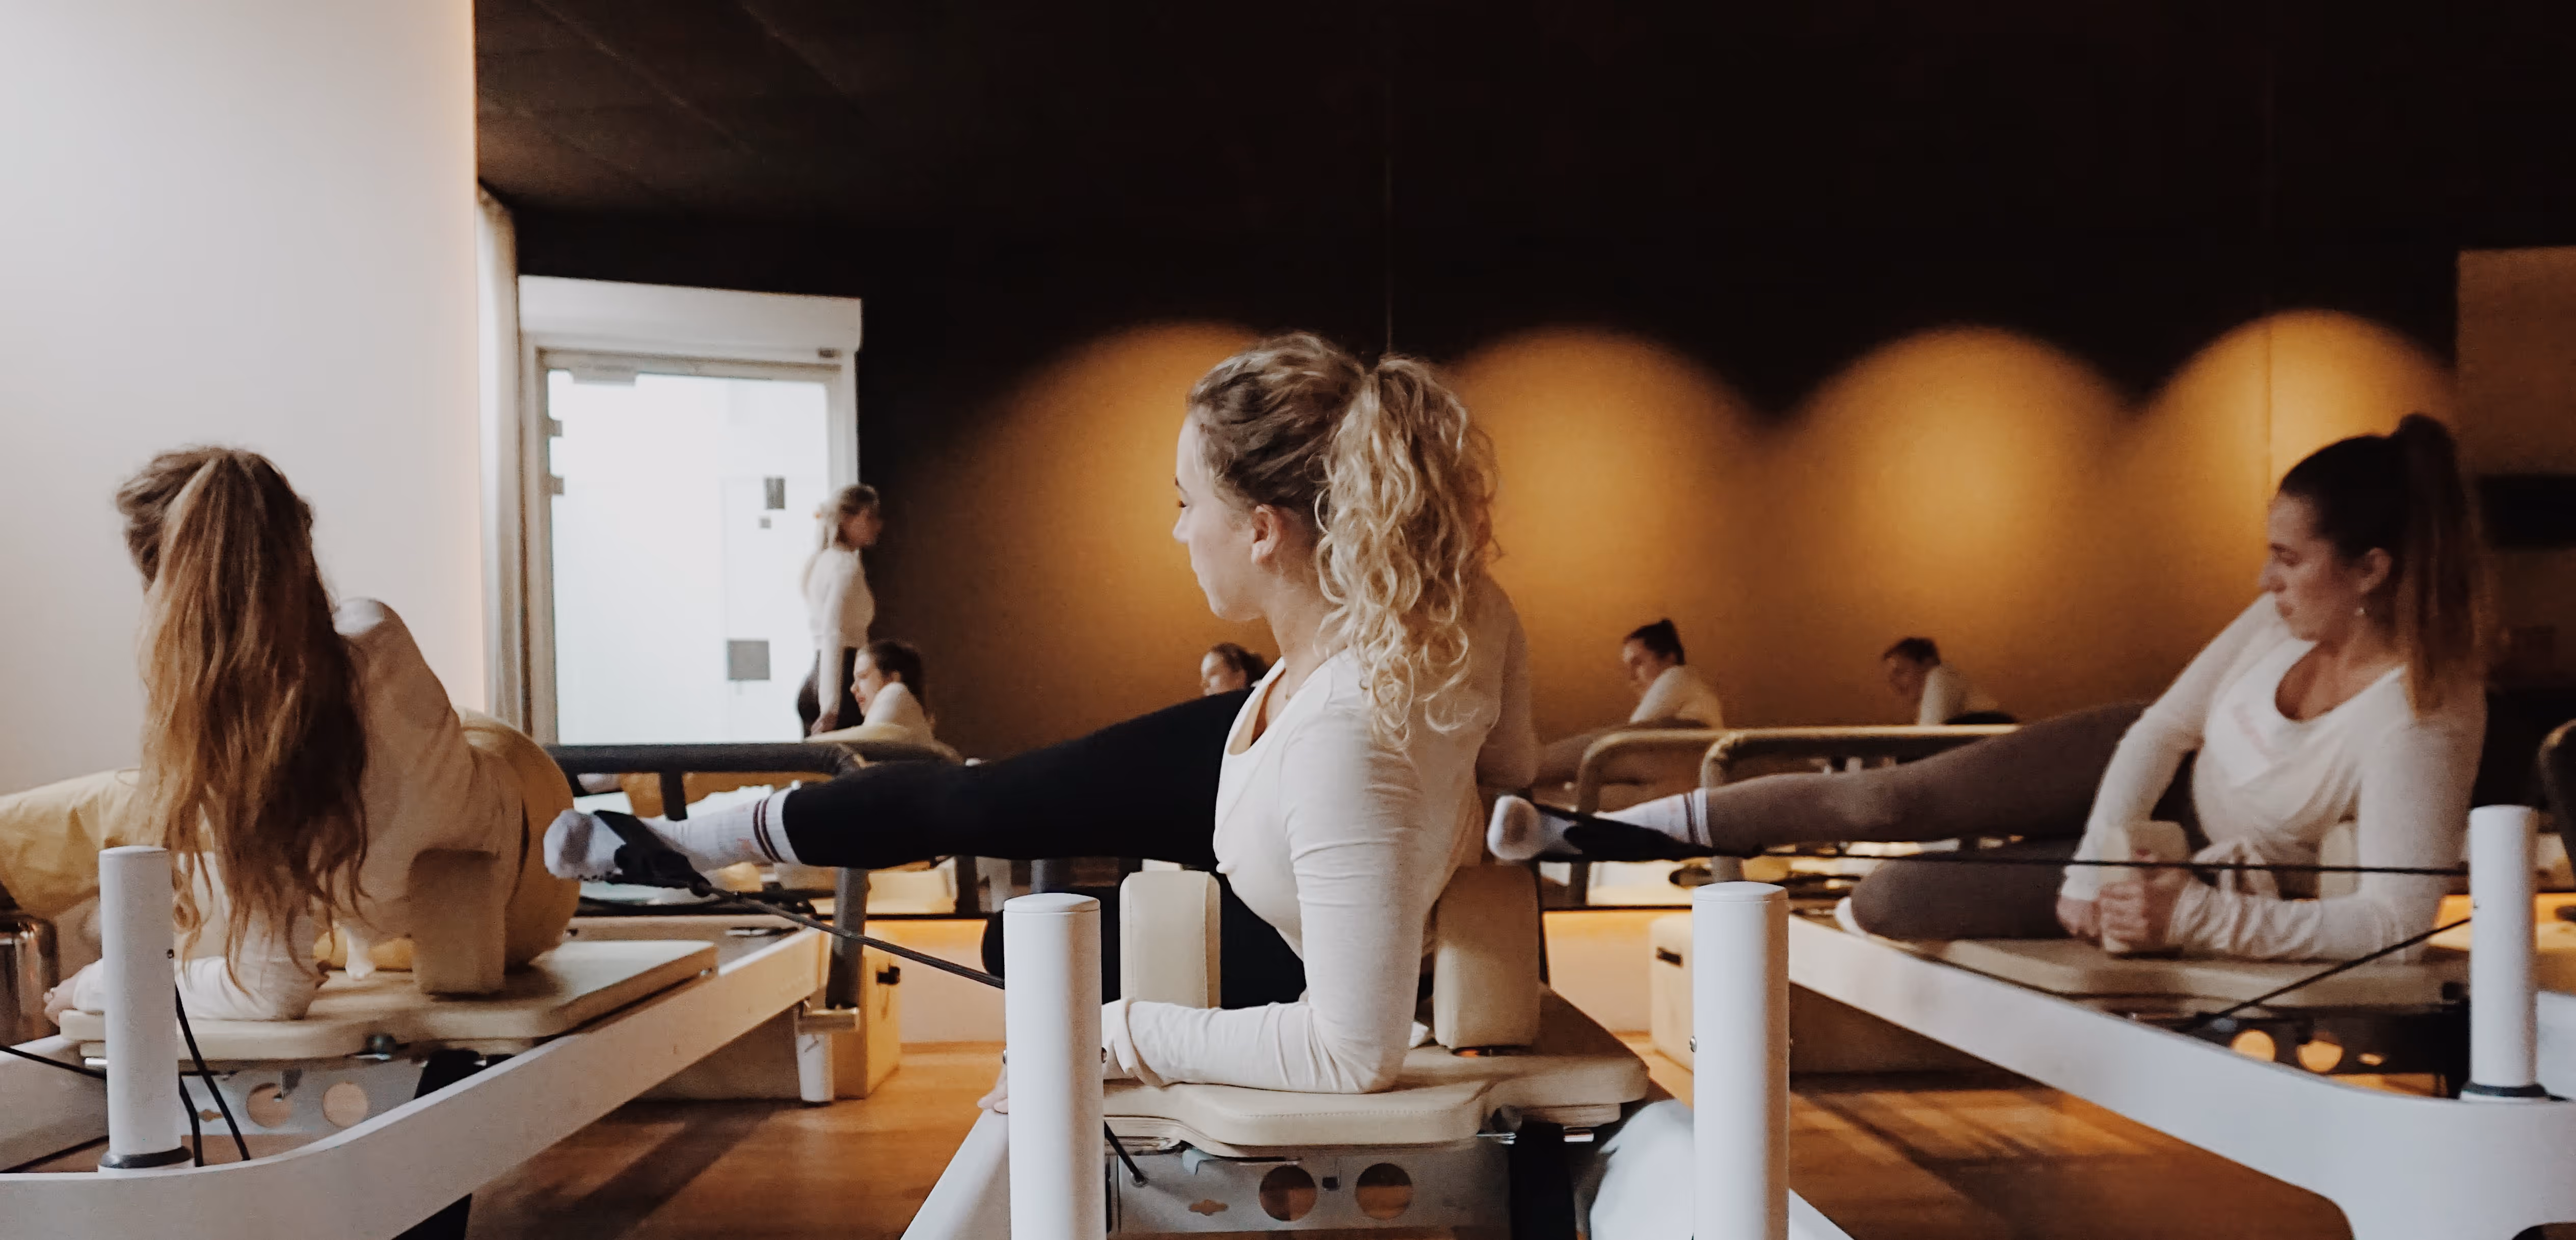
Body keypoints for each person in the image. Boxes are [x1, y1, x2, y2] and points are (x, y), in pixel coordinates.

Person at [1493, 415, 2488, 963]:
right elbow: (2162, 727)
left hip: (2195, 856)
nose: (2265, 580)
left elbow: (2393, 923)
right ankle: (1573, 834)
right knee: (1888, 798)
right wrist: (2096, 855)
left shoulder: (2423, 715)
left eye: (2286, 558)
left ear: (2368, 568)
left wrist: (2186, 913)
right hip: (2129, 768)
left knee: (1896, 894)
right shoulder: (2274, 617)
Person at [1, 448, 547, 1023]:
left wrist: (98, 985)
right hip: (509, 788)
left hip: (517, 898)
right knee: (147, 800)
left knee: (135, 801)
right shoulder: (376, 632)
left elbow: (267, 991)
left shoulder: (253, 760)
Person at [1533, 617, 1727, 788]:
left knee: (1594, 748)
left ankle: (1522, 769)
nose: (1632, 678)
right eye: (1628, 667)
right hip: (1678, 775)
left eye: (1638, 663)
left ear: (1669, 658)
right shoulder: (1697, 694)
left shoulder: (1678, 675)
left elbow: (1631, 735)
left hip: (1674, 756)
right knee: (1575, 791)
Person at [799, 484, 882, 736]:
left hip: (818, 677)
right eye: (869, 517)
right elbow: (833, 633)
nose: (878, 525)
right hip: (840, 683)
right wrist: (831, 705)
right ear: (847, 520)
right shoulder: (845, 567)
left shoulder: (821, 562)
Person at [1882, 636, 2010, 725]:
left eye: (1901, 672)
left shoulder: (1939, 676)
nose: (1895, 684)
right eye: (1891, 679)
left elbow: (1925, 741)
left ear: (1928, 663)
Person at [1199, 642, 1269, 695]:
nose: (1204, 684)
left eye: (1212, 674)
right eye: (1204, 678)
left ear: (1239, 676)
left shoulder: (1263, 693)